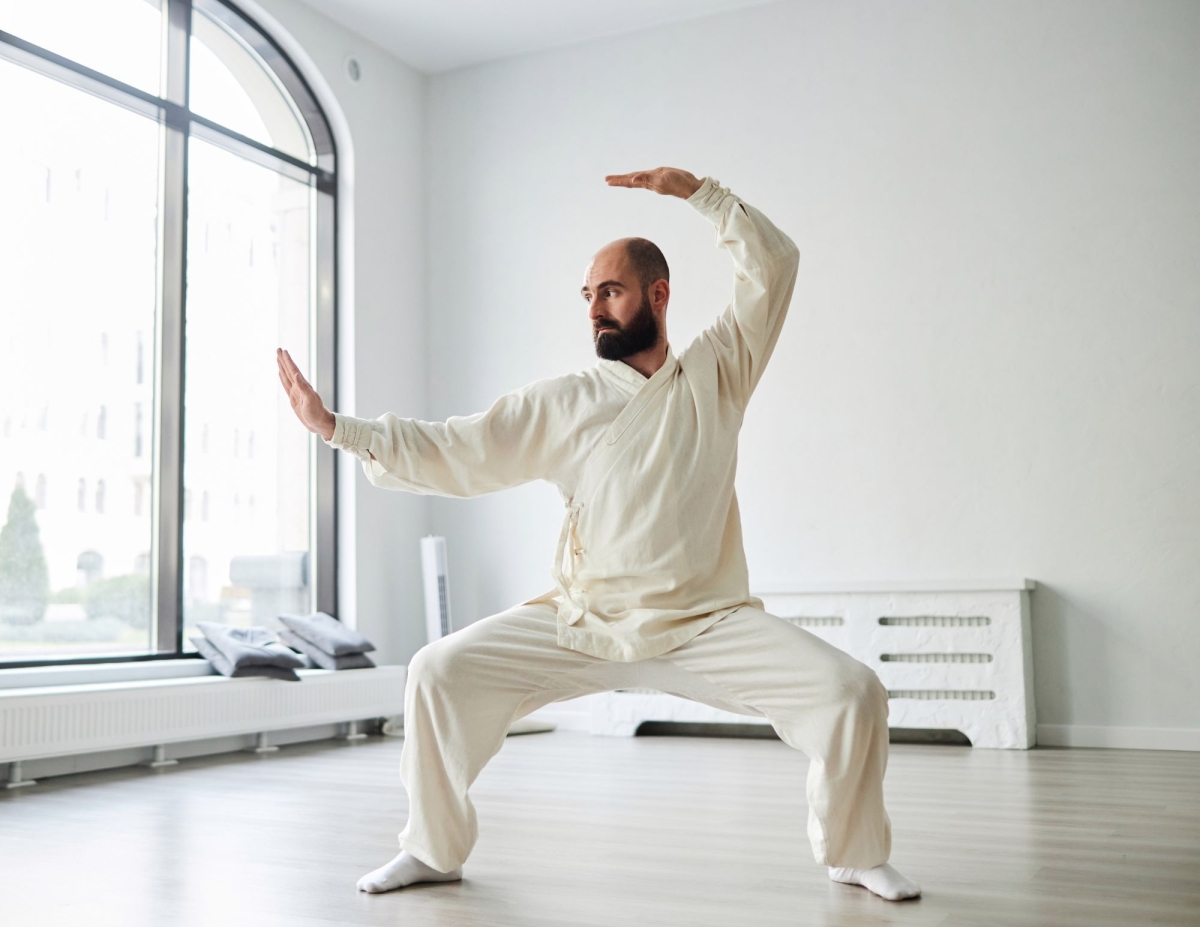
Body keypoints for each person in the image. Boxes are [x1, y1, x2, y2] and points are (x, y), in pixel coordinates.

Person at [276, 167, 922, 902]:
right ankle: (432, 847)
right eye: (588, 297)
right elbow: (460, 446)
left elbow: (775, 267)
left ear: (658, 294)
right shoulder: (566, 401)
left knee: (853, 691)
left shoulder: (719, 371)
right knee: (435, 670)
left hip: (703, 623)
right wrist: (339, 429)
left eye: (610, 291)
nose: (595, 310)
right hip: (582, 619)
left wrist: (700, 194)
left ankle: (853, 850)